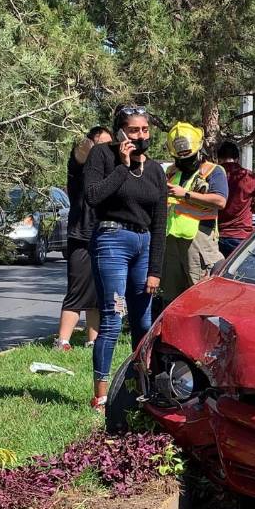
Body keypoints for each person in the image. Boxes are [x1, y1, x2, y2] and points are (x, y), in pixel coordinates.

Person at [84, 105, 167, 411]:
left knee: (143, 321)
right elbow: (93, 196)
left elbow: (160, 221)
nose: (141, 135)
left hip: (143, 245)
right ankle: (102, 395)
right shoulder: (102, 156)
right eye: (134, 130)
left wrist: (155, 269)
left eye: (145, 130)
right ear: (120, 132)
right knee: (112, 319)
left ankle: (139, 387)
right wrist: (122, 164)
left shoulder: (156, 170)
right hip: (112, 241)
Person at [158, 122, 228, 308]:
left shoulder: (213, 171)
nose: (183, 161)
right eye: (179, 158)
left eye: (188, 157)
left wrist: (186, 194)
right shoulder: (171, 172)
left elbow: (220, 201)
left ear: (198, 150)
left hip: (199, 244)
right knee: (171, 299)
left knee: (201, 298)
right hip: (172, 243)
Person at [56, 125, 113, 351]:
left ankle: (93, 340)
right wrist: (89, 142)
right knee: (77, 289)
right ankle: (62, 341)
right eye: (101, 145)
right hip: (80, 235)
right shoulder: (79, 167)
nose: (105, 150)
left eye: (109, 145)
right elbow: (79, 153)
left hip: (105, 234)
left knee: (100, 292)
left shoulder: (109, 170)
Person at [216, 141, 255, 257]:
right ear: (237, 158)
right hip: (240, 235)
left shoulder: (212, 176)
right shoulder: (249, 176)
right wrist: (247, 206)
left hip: (215, 235)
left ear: (218, 159)